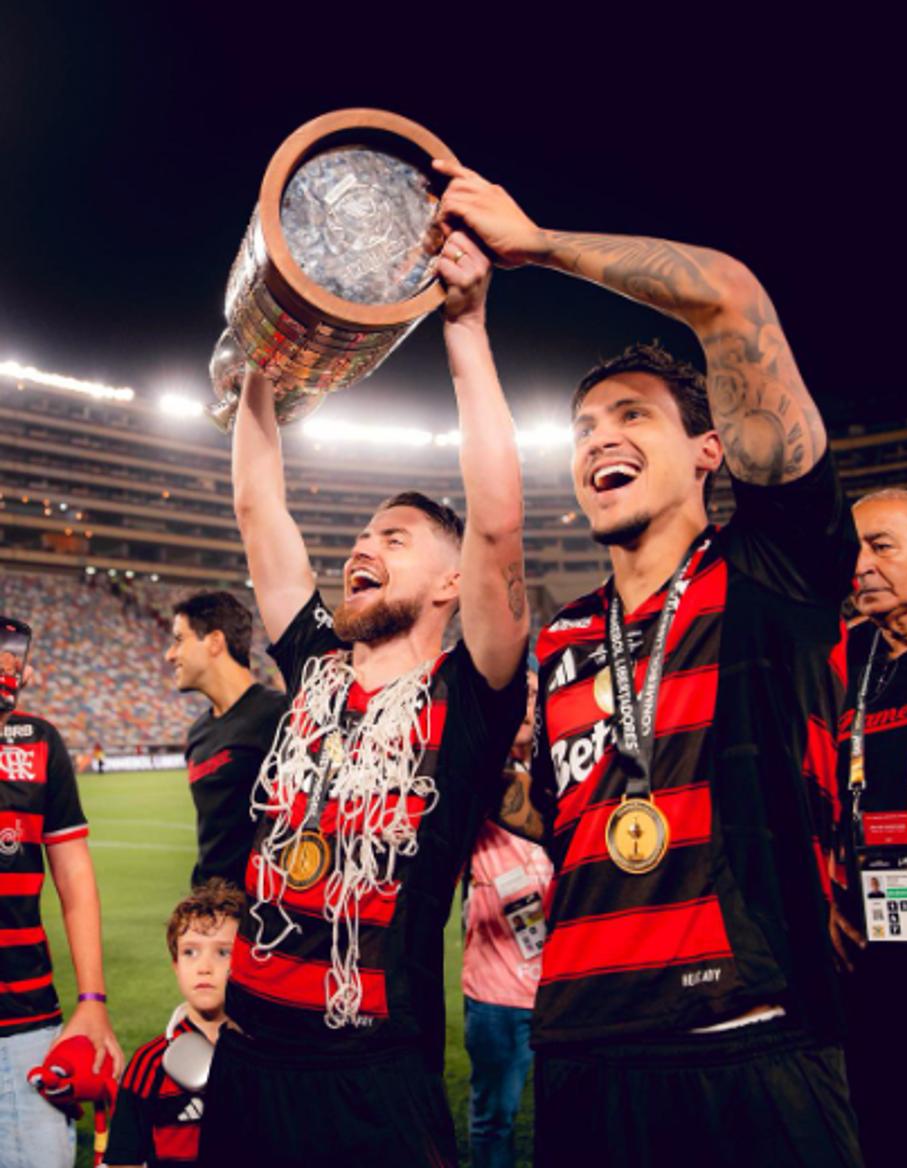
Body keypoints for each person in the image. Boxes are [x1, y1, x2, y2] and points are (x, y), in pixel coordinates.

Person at [437, 160, 862, 1167]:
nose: (599, 439)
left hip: (751, 1039)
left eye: (632, 415)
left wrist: (538, 245)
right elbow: (560, 814)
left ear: (710, 450)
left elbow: (730, 299)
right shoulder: (562, 639)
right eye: (584, 427)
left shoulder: (771, 571)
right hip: (583, 1052)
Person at [198, 227, 528, 1168]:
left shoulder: (470, 698)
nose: (362, 546)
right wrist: (262, 357)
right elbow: (259, 508)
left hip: (374, 1075)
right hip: (248, 1059)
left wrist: (465, 328)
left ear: (451, 582)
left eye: (394, 538)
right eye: (362, 535)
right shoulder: (316, 663)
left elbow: (497, 525)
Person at [830, 488, 907, 1167]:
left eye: (881, 546)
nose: (862, 566)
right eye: (854, 551)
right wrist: (821, 892)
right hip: (872, 952)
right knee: (885, 1134)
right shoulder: (840, 658)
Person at [0, 616, 122, 1168]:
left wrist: (92, 1002)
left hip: (27, 1021)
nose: (11, 666)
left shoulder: (39, 741)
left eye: (12, 655)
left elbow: (74, 878)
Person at [462, 669, 552, 1168]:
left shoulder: (567, 770)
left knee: (569, 1117)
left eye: (534, 693)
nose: (525, 702)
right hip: (496, 990)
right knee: (494, 1118)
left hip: (562, 985)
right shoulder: (475, 773)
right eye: (515, 693)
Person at [105, 879, 243, 1168]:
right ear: (176, 967)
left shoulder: (266, 1058)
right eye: (190, 952)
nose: (204, 967)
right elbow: (123, 1158)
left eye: (223, 952)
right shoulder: (148, 1063)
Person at [166, 591, 287, 887]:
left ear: (215, 642)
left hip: (262, 906)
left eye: (179, 640)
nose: (169, 655)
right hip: (211, 904)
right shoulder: (198, 733)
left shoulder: (281, 715)